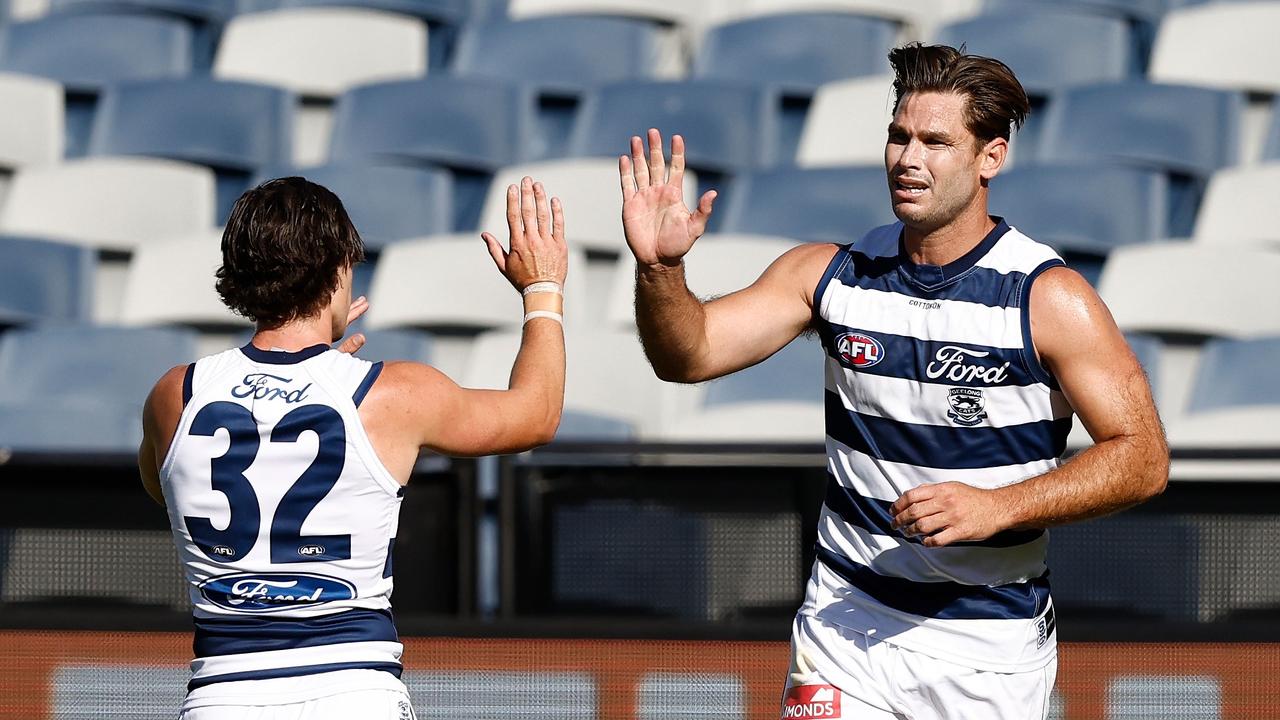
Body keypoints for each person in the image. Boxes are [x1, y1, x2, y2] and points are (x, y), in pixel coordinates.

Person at [619, 43, 1169, 719]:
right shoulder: (831, 274)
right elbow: (689, 356)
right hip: (845, 627)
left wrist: (998, 506)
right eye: (898, 136)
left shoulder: (1047, 298)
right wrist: (660, 272)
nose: (909, 159)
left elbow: (1143, 457)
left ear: (989, 157)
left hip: (986, 648)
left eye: (936, 141)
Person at [138, 175, 569, 719]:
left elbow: (166, 491)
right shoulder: (391, 395)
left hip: (224, 695)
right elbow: (537, 415)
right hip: (354, 692)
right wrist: (543, 288)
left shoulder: (173, 394)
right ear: (337, 268)